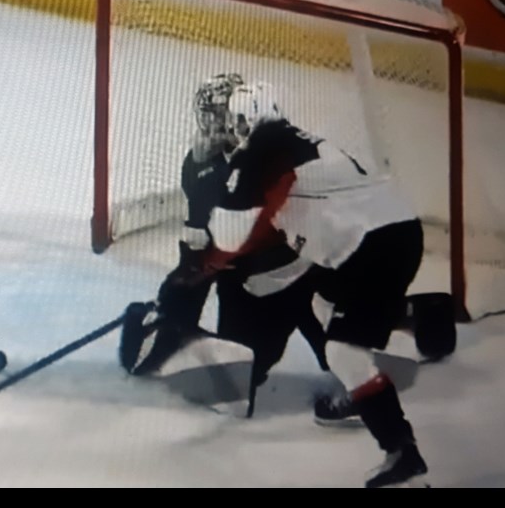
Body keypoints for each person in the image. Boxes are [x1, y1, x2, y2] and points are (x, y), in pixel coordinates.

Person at [182, 75, 435, 488]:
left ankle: (403, 459)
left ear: (245, 119)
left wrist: (207, 263)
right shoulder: (286, 140)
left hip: (372, 247)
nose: (221, 128)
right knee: (324, 305)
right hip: (378, 239)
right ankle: (418, 320)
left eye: (227, 119)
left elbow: (232, 237)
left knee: (343, 352)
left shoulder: (259, 153)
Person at [119, 73, 332, 418]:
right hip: (240, 266)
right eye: (209, 116)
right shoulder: (199, 163)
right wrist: (174, 311)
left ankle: (375, 333)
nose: (213, 126)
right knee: (232, 348)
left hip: (285, 265)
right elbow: (201, 239)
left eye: (221, 116)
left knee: (280, 336)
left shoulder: (268, 158)